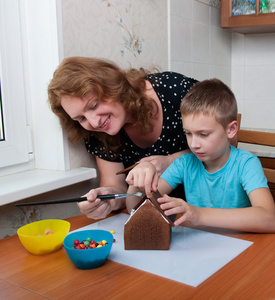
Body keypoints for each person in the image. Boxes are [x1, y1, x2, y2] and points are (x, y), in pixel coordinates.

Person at [48, 56, 198, 219]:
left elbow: (227, 143)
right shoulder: (96, 133)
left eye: (94, 105)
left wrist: (172, 161)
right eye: (81, 119)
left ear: (112, 86)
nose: (94, 122)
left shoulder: (174, 90)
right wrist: (107, 198)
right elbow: (117, 188)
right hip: (162, 218)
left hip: (211, 207)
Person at [126, 79, 275, 233]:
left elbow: (270, 219)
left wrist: (199, 214)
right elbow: (137, 210)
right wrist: (138, 180)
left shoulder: (246, 163)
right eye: (188, 133)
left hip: (244, 246)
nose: (193, 144)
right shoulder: (184, 164)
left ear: (230, 130)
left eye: (203, 134)